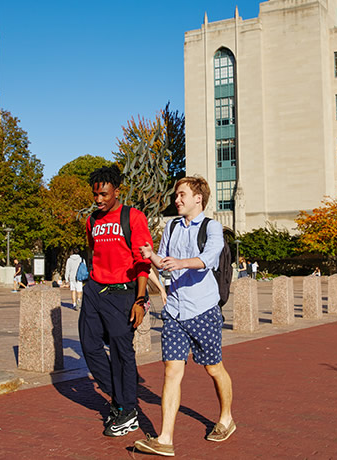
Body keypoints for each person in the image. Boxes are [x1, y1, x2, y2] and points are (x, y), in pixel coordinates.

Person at [136, 176, 235, 456]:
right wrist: (151, 254)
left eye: (181, 195)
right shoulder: (171, 226)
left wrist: (181, 263)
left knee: (213, 368)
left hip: (203, 310)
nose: (176, 200)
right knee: (171, 371)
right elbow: (165, 263)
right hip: (176, 311)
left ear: (197, 199)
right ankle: (165, 438)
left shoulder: (212, 227)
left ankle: (226, 418)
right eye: (176, 195)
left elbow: (209, 258)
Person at [78, 165, 153, 437]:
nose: (98, 200)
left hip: (123, 294)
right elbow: (92, 250)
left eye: (104, 194)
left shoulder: (133, 218)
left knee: (123, 353)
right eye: (95, 195)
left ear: (117, 192)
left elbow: (142, 261)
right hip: (95, 290)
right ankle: (118, 399)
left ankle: (128, 409)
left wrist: (140, 299)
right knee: (89, 346)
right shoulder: (92, 221)